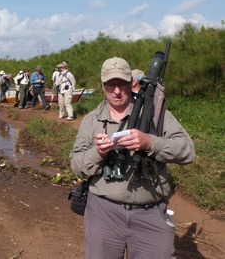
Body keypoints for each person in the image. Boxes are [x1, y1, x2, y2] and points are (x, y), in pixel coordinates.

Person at [70, 57, 195, 259]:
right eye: (111, 85)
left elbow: (188, 151)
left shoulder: (156, 115)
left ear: (131, 83)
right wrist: (98, 153)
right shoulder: (91, 120)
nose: (117, 91)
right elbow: (76, 165)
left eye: (121, 84)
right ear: (102, 86)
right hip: (103, 213)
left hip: (151, 213)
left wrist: (150, 143)